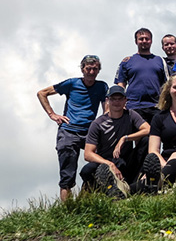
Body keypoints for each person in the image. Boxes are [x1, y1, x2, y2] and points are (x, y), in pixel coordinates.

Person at [37, 55, 108, 200]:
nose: (91, 72)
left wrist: (103, 122)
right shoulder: (72, 83)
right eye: (88, 68)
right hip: (68, 131)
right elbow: (42, 93)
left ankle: (86, 196)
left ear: (98, 70)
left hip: (89, 131)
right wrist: (52, 114)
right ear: (82, 69)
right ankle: (67, 210)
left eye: (95, 69)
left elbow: (106, 108)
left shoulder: (102, 86)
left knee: (102, 160)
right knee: (67, 174)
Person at [80, 85, 150, 197]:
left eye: (120, 99)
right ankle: (103, 190)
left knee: (146, 141)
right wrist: (109, 164)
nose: (116, 102)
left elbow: (147, 129)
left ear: (125, 101)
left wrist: (125, 138)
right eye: (113, 99)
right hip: (105, 162)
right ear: (107, 100)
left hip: (126, 160)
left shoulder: (131, 115)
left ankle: (136, 184)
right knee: (87, 170)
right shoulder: (98, 123)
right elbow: (88, 154)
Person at [115, 28, 169, 124]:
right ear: (136, 41)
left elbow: (167, 85)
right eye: (141, 39)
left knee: (155, 137)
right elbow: (120, 85)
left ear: (151, 41)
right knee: (138, 137)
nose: (144, 41)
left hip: (156, 106)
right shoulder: (127, 61)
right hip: (133, 106)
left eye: (147, 39)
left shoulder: (160, 60)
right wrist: (121, 103)